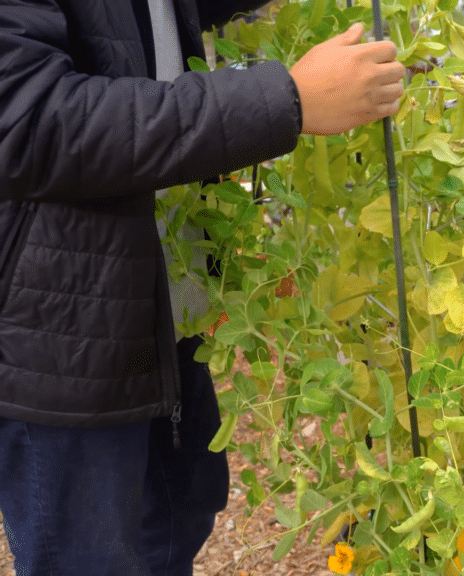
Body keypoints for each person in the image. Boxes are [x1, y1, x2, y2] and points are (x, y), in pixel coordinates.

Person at [0, 1, 404, 574]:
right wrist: (286, 99)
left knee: (173, 530)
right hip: (61, 335)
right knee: (88, 559)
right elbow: (29, 120)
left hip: (163, 305)